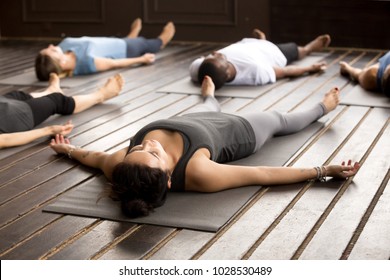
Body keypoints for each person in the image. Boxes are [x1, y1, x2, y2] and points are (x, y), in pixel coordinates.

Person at [49, 76, 360, 218]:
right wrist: (323, 170)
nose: (150, 142)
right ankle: (323, 107)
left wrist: (68, 150)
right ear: (170, 179)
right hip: (239, 131)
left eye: (138, 147)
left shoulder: (121, 165)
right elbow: (262, 173)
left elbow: (93, 157)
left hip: (195, 118)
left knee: (208, 105)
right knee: (279, 119)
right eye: (154, 152)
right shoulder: (198, 173)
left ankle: (209, 95)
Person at [0, 73, 124, 149]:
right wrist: (49, 130)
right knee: (57, 100)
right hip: (16, 116)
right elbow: (5, 140)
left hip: (5, 104)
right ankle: (101, 95)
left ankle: (50, 91)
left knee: (18, 95)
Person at [35, 18, 175, 81]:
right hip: (125, 49)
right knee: (144, 43)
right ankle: (161, 41)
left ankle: (130, 36)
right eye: (51, 51)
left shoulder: (63, 47)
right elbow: (115, 63)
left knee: (127, 39)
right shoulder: (87, 62)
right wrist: (142, 59)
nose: (51, 46)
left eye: (48, 48)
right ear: (63, 64)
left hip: (112, 41)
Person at [189, 29, 331, 89]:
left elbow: (203, 61)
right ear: (227, 71)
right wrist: (310, 68)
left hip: (250, 45)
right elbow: (284, 71)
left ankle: (260, 40)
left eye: (213, 55)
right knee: (299, 51)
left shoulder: (199, 69)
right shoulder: (256, 71)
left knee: (258, 43)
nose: (215, 53)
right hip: (272, 52)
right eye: (219, 57)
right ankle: (310, 48)